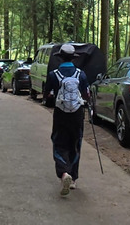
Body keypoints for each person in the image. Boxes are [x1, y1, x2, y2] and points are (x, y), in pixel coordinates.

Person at [46, 43, 89, 197]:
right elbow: (86, 94)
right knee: (75, 143)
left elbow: (47, 95)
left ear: (60, 57)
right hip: (77, 114)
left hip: (60, 114)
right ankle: (73, 179)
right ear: (73, 58)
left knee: (59, 143)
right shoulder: (81, 74)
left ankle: (64, 173)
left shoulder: (53, 74)